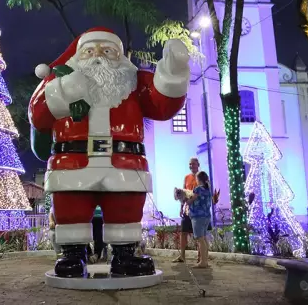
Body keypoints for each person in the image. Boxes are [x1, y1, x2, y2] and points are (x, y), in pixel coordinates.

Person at [29, 27, 191, 278]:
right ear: (78, 55)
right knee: (71, 210)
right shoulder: (58, 80)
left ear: (120, 55)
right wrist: (60, 91)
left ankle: (125, 255)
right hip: (72, 162)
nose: (99, 56)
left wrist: (174, 69)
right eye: (90, 51)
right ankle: (73, 254)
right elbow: (38, 115)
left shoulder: (135, 81)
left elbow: (162, 104)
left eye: (107, 51)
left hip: (125, 163)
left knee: (125, 209)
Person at [173, 157, 200, 263]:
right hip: (187, 208)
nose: (191, 166)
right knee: (183, 232)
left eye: (193, 164)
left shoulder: (202, 176)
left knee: (198, 234)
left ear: (198, 164)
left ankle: (200, 257)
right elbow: (183, 193)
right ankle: (182, 256)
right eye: (190, 164)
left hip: (197, 210)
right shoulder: (186, 177)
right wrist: (181, 207)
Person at [187, 170, 212, 269]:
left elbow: (191, 200)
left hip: (198, 216)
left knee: (200, 239)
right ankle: (205, 260)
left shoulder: (198, 189)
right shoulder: (208, 189)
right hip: (206, 216)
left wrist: (186, 200)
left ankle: (203, 262)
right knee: (204, 238)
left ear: (198, 179)